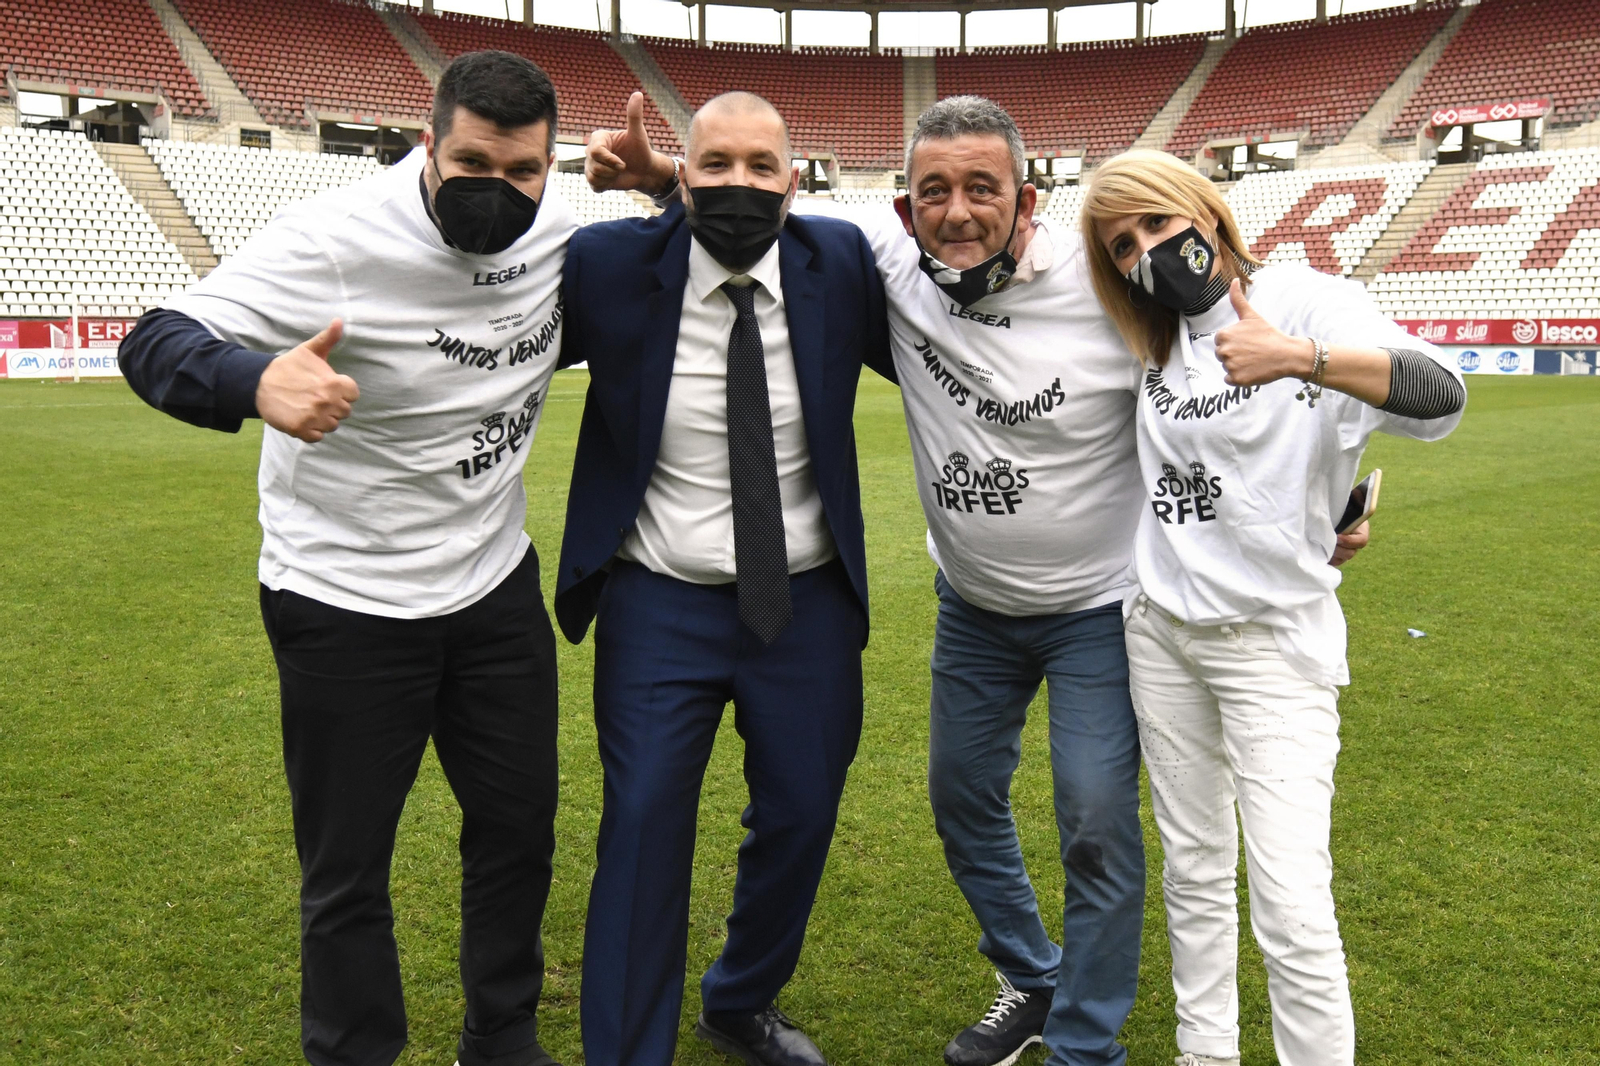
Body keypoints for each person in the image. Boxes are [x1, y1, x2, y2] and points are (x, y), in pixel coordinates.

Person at [587, 96, 1371, 1066]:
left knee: (1069, 817)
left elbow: (1227, 378)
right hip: (895, 602)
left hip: (1051, 604)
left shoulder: (1091, 279)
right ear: (905, 211)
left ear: (1026, 199)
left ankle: (1070, 1040)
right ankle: (1028, 979)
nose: (957, 211)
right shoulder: (860, 261)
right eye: (934, 192)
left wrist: (1337, 499)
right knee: (913, 801)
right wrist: (662, 180)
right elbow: (732, 210)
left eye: (982, 189)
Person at [117, 51, 575, 1066]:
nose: (495, 191)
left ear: (551, 169)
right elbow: (152, 341)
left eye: (522, 173)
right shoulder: (332, 240)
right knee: (348, 867)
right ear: (428, 144)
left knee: (517, 831)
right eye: (470, 163)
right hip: (344, 596)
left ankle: (500, 1041)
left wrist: (669, 184)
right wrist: (251, 381)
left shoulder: (559, 238)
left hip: (494, 586)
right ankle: (353, 1051)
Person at [1080, 149, 1464, 1066]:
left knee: (1291, 899)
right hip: (1163, 634)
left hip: (1275, 645)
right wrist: (1330, 511)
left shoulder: (1302, 297)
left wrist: (1303, 359)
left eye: (1159, 225)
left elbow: (1442, 399)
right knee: (1197, 872)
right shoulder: (1149, 337)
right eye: (1123, 245)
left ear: (1205, 213)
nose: (1148, 253)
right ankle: (1203, 1054)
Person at [557, 92, 894, 1066]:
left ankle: (738, 998)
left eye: (761, 166)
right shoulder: (608, 266)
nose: (738, 185)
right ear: (684, 177)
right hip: (657, 595)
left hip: (806, 599)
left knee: (801, 812)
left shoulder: (843, 266)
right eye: (714, 166)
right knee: (643, 824)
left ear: (796, 179)